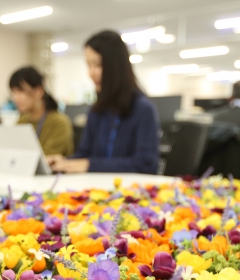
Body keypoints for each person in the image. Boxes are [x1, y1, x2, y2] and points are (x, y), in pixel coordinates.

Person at [47, 30, 160, 174]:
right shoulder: (97, 111)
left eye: (98, 65)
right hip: (95, 188)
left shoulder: (142, 109)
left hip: (129, 191)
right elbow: (85, 155)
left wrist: (90, 165)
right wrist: (65, 162)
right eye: (89, 65)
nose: (91, 73)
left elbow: (145, 164)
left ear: (116, 66)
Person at [10, 67, 73, 156]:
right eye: (13, 92)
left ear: (39, 91)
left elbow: (48, 157)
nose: (15, 98)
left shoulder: (59, 123)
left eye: (20, 91)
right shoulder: (22, 121)